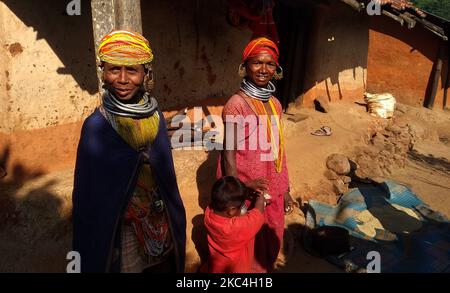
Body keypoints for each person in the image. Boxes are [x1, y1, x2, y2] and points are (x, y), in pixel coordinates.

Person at [72, 30, 186, 273]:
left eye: (132, 70)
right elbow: (87, 194)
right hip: (121, 228)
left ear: (146, 73)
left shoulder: (155, 117)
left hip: (158, 218)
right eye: (114, 69)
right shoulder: (97, 125)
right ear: (104, 72)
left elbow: (166, 176)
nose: (123, 79)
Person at [217, 37, 295, 272]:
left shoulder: (276, 104)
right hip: (246, 184)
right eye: (257, 63)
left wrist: (286, 189)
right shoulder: (236, 104)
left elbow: (279, 148)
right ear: (245, 66)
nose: (263, 69)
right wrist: (239, 188)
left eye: (270, 64)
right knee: (247, 241)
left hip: (272, 181)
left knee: (271, 233)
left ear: (277, 69)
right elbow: (228, 151)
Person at [203, 176, 265, 273]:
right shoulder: (235, 227)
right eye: (242, 206)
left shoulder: (209, 213)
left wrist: (245, 186)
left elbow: (224, 195)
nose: (243, 208)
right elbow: (258, 214)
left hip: (217, 267)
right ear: (231, 211)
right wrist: (261, 199)